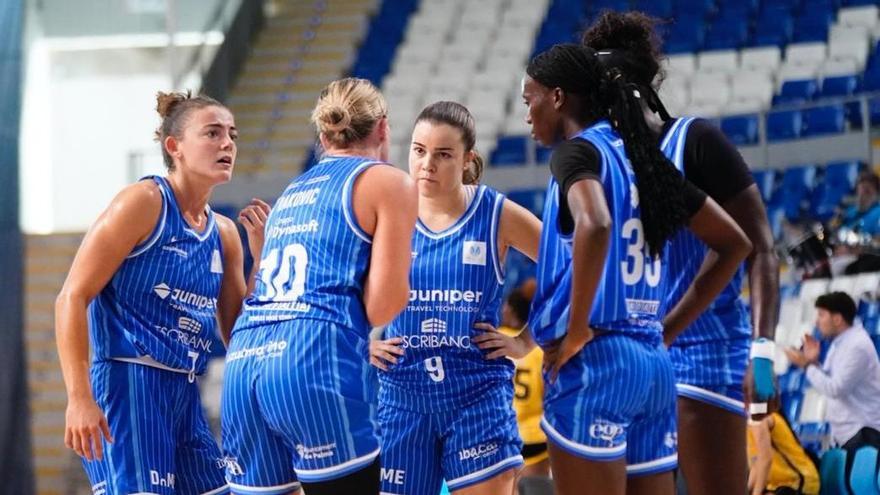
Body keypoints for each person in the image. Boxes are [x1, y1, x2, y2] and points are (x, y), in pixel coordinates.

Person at [522, 43, 752, 495]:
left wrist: (577, 330)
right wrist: (666, 330)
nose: (526, 114)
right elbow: (733, 243)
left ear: (557, 98)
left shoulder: (575, 154)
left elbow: (597, 223)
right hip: (653, 365)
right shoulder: (644, 161)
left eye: (529, 98)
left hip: (597, 363)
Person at [581, 11, 781, 495]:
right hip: (634, 352)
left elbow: (759, 248)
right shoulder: (598, 160)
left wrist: (763, 351)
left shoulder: (696, 141)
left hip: (703, 348)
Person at [220, 77, 418, 495]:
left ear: (323, 135)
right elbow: (383, 306)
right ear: (383, 127)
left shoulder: (293, 189)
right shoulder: (388, 181)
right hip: (312, 359)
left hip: (244, 365)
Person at [55, 91, 252, 494]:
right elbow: (71, 297)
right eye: (212, 133)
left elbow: (239, 335)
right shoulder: (143, 202)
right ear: (174, 146)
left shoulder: (226, 234)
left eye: (232, 134)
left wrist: (262, 259)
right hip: (129, 383)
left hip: (184, 390)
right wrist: (79, 397)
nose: (227, 143)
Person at [368, 101, 542, 495]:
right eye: (418, 150)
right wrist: (364, 341)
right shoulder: (388, 211)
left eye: (443, 154)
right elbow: (336, 283)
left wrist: (525, 340)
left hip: (476, 394)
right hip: (402, 394)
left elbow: (566, 266)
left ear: (467, 160)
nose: (427, 163)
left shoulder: (496, 213)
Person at [784, 292, 880, 453]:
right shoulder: (840, 344)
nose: (816, 321)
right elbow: (830, 380)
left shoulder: (857, 345)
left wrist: (807, 366)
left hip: (864, 432)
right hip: (850, 434)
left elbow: (836, 389)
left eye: (821, 315)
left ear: (837, 319)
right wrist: (814, 363)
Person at [499, 279, 551, 484]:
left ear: (510, 312)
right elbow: (548, 395)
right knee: (537, 490)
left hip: (503, 430)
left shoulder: (497, 339)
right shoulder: (539, 349)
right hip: (535, 435)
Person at [746, 409, 820, 495]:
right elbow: (756, 466)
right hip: (776, 485)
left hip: (799, 482)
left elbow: (766, 459)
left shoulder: (761, 419)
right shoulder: (747, 426)